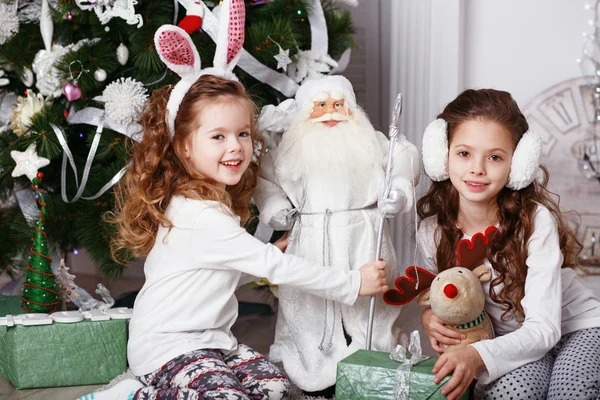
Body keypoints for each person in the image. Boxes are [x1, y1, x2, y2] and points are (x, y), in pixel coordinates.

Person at [76, 26, 389, 400]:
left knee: (273, 387)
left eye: (242, 133)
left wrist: (270, 252)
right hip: (168, 348)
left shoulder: (209, 202)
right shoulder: (198, 214)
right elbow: (278, 271)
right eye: (218, 136)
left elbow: (218, 273)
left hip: (214, 342)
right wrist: (352, 283)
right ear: (184, 147)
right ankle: (134, 395)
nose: (236, 147)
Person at [417, 88, 600, 400]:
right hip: (511, 339)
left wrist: (477, 357)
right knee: (514, 393)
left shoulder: (535, 220)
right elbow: (448, 295)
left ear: (518, 165)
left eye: (495, 157)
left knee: (571, 391)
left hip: (575, 327)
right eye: (464, 153)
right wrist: (430, 316)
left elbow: (545, 329)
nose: (477, 168)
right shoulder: (431, 230)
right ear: (441, 155)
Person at [253, 75, 420, 397]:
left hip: (363, 236)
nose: (330, 113)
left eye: (338, 105)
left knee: (367, 309)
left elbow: (404, 158)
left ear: (351, 107)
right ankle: (312, 364)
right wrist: (275, 207)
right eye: (320, 106)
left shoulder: (372, 142)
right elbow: (265, 179)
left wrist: (397, 191)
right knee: (309, 307)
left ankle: (370, 356)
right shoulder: (290, 150)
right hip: (311, 242)